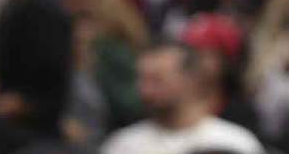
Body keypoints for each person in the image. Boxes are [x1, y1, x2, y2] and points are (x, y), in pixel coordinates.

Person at [101, 41, 263, 154]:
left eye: (157, 80)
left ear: (190, 79)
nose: (146, 90)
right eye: (142, 79)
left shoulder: (233, 143)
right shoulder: (122, 146)